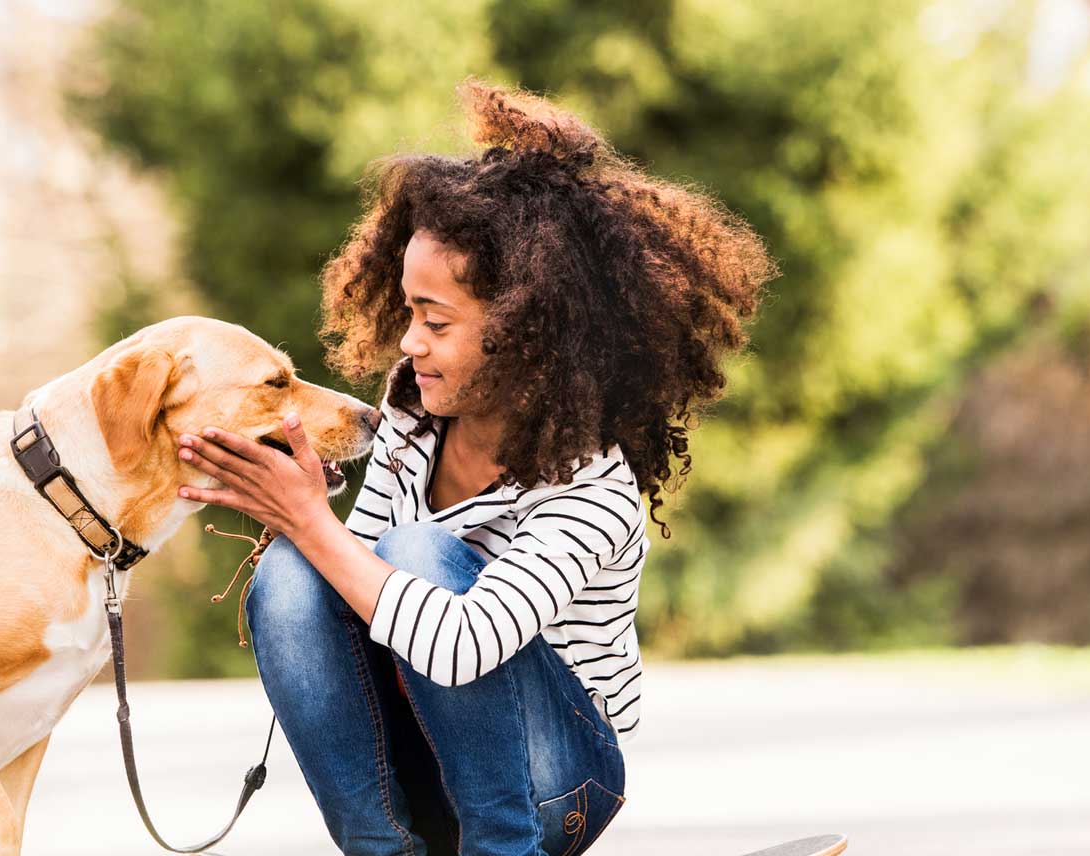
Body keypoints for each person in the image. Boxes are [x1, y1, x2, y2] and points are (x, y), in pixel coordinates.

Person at [175, 79, 774, 856]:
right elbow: (350, 594)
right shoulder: (412, 414)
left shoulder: (594, 484)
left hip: (559, 782)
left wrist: (312, 523)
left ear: (529, 330)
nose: (408, 343)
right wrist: (293, 512)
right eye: (408, 312)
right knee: (292, 575)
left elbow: (466, 641)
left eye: (436, 320)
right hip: (430, 762)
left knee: (413, 553)